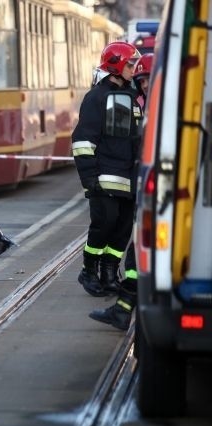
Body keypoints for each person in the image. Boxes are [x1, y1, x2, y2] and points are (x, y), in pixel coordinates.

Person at [71, 42, 141, 300]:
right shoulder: (97, 98)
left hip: (128, 180)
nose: (134, 69)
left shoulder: (133, 98)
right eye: (130, 64)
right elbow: (82, 141)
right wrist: (90, 179)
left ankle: (109, 274)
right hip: (104, 179)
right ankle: (89, 271)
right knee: (103, 225)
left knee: (122, 229)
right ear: (116, 65)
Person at [89, 52, 153, 330]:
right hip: (136, 184)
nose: (146, 85)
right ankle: (118, 304)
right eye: (143, 80)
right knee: (134, 249)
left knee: (137, 251)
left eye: (150, 80)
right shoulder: (127, 100)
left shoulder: (150, 104)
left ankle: (122, 309)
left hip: (152, 188)